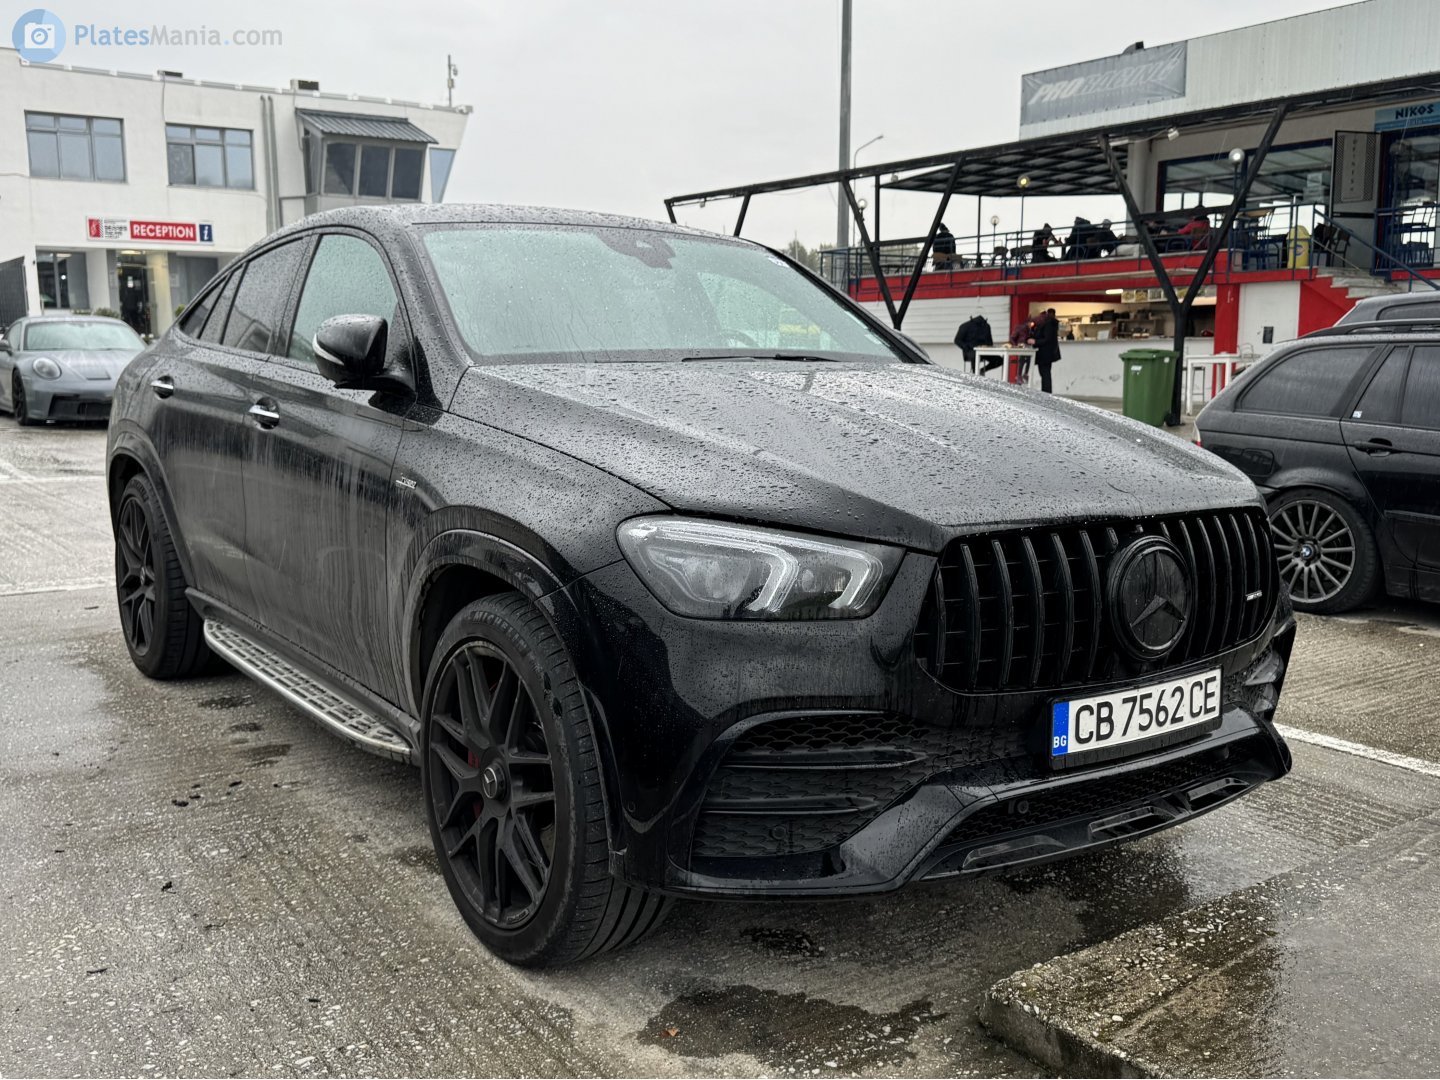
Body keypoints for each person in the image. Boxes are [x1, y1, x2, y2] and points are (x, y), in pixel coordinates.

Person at [1033, 308, 1061, 394]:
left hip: (1044, 353)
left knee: (1045, 374)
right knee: (1045, 374)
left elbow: (1046, 339)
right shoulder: (1051, 323)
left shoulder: (1047, 323)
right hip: (1049, 352)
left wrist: (1035, 341)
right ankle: (1046, 393)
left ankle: (1046, 394)